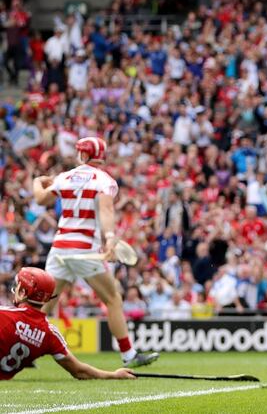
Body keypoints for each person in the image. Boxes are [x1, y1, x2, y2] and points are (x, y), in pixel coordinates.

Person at [31, 137, 159, 368]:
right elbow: (106, 210)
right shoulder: (104, 180)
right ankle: (129, 355)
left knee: (43, 308)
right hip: (84, 251)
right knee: (112, 299)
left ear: (82, 154)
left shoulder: (64, 177)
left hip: (59, 249)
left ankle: (24, 353)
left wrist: (37, 181)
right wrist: (109, 238)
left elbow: (40, 199)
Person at [1, 267, 136, 380]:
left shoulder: (4, 315)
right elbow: (79, 371)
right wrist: (114, 375)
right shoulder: (50, 334)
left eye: (18, 286)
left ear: (24, 292)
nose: (15, 289)